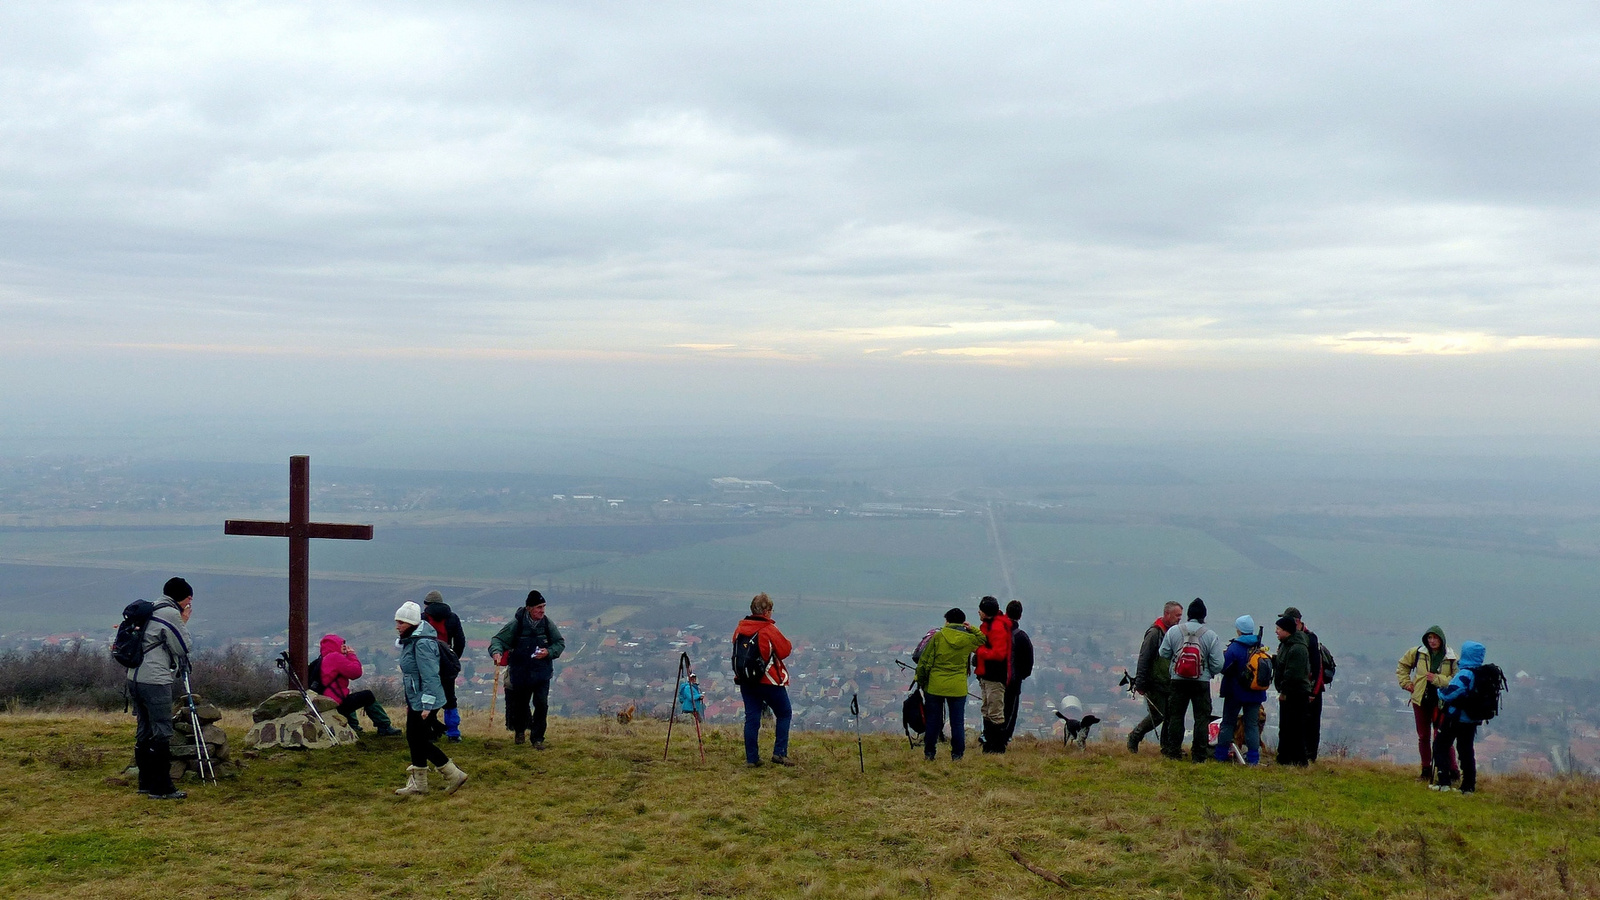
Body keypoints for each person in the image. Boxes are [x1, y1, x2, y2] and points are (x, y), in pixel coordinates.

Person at [128, 577, 194, 800]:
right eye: (188, 599)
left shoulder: (150, 609)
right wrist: (183, 621)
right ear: (183, 598)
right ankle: (162, 787)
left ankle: (145, 782)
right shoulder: (170, 614)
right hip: (155, 679)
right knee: (162, 730)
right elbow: (183, 646)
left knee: (144, 728)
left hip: (134, 677)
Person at [393, 601, 468, 795]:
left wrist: (426, 705)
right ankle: (419, 784)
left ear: (411, 623)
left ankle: (453, 774)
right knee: (413, 737)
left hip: (425, 700)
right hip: (417, 698)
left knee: (419, 740)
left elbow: (430, 675)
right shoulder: (413, 640)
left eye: (401, 622)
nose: (397, 626)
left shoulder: (422, 643)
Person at [489, 590, 566, 749]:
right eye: (539, 607)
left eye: (544, 606)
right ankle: (519, 731)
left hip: (541, 673)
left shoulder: (547, 624)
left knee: (541, 704)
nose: (542, 610)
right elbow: (498, 640)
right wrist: (496, 652)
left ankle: (537, 738)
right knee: (521, 705)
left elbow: (559, 643)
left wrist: (548, 652)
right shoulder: (516, 624)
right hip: (520, 672)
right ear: (529, 608)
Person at [1158, 598, 1225, 761]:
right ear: (1204, 616)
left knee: (1176, 716)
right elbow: (1219, 664)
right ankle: (1199, 755)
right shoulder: (1210, 635)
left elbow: (1163, 653)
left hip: (1178, 680)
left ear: (1188, 615)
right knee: (1201, 719)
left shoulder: (1174, 631)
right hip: (1200, 682)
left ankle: (1173, 751)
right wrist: (1207, 672)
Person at [915, 608, 987, 761]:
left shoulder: (938, 636)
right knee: (957, 723)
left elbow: (925, 662)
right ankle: (957, 755)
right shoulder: (968, 639)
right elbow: (983, 640)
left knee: (933, 721)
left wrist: (921, 680)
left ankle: (929, 753)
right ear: (962, 622)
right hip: (958, 687)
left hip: (935, 685)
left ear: (947, 620)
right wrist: (972, 628)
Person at [732, 592, 795, 767]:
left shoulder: (739, 629)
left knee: (751, 718)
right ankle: (779, 753)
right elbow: (784, 650)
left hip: (746, 681)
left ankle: (752, 758)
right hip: (768, 681)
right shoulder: (768, 630)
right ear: (766, 611)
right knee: (784, 713)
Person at [1398, 626, 1459, 783]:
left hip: (1441, 701)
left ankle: (1451, 769)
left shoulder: (1451, 657)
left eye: (1435, 638)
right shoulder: (1418, 652)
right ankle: (1426, 769)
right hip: (1421, 700)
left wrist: (1437, 679)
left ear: (1441, 639)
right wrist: (1406, 683)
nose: (1432, 641)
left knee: (1442, 736)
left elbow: (1456, 679)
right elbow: (1403, 666)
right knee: (1423, 736)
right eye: (1430, 638)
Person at [315, 633, 401, 737]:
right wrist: (351, 655)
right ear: (334, 645)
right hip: (336, 703)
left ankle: (353, 726)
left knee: (348, 696)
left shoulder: (324, 658)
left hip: (329, 701)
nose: (344, 646)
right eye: (341, 643)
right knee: (367, 696)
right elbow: (356, 672)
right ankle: (384, 726)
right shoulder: (335, 657)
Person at [1432, 640, 1489, 794]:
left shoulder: (1465, 673)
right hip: (1472, 720)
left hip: (1456, 718)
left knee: (1440, 745)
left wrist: (1439, 692)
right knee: (1466, 751)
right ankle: (1468, 786)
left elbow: (1450, 693)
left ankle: (1444, 782)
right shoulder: (1480, 673)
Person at [1128, 600, 1183, 753]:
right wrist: (1140, 683)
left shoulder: (1171, 633)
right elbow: (1144, 658)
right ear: (1167, 614)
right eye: (1177, 615)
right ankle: (1135, 736)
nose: (1179, 619)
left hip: (1168, 682)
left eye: (1180, 616)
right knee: (1158, 715)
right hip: (1155, 683)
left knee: (1170, 716)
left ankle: (1167, 747)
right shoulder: (1154, 633)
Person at [1215, 615, 1267, 765]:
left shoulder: (1235, 648)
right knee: (1251, 725)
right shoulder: (1259, 646)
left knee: (1228, 723)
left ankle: (1220, 755)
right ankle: (1253, 758)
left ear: (1239, 630)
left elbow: (1224, 668)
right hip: (1255, 693)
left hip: (1234, 692)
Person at [1281, 606, 1329, 762]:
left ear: (1296, 621)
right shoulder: (1290, 640)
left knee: (1311, 724)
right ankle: (1294, 754)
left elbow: (1317, 668)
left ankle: (1310, 756)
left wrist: (1313, 693)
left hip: (1311, 690)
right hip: (1298, 689)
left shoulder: (1310, 639)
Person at [422, 591, 467, 742]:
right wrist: (453, 658)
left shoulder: (422, 618)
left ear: (427, 604)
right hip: (447, 662)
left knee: (428, 696)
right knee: (449, 697)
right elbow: (460, 641)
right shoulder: (452, 617)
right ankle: (453, 733)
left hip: (427, 662)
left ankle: (429, 731)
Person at [974, 596, 1014, 753]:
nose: (979, 612)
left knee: (995, 712)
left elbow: (998, 654)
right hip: (986, 675)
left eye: (981, 610)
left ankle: (996, 747)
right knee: (987, 709)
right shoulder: (989, 625)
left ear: (985, 612)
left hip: (994, 676)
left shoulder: (997, 628)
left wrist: (979, 651)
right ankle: (989, 744)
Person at [1273, 615, 1313, 767]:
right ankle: (1285, 757)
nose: (1276, 632)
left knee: (1295, 727)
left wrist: (1284, 691)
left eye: (1279, 629)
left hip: (1296, 694)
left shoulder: (1297, 648)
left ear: (1287, 631)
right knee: (1285, 727)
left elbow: (1293, 674)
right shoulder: (1285, 645)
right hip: (1289, 692)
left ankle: (1298, 759)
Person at [1001, 600, 1034, 744]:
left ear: (1006, 612)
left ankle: (988, 735)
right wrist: (1021, 675)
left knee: (992, 708)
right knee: (1010, 710)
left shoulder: (996, 632)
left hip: (994, 678)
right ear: (1020, 616)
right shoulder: (1022, 637)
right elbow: (1028, 662)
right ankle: (1004, 738)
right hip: (1014, 681)